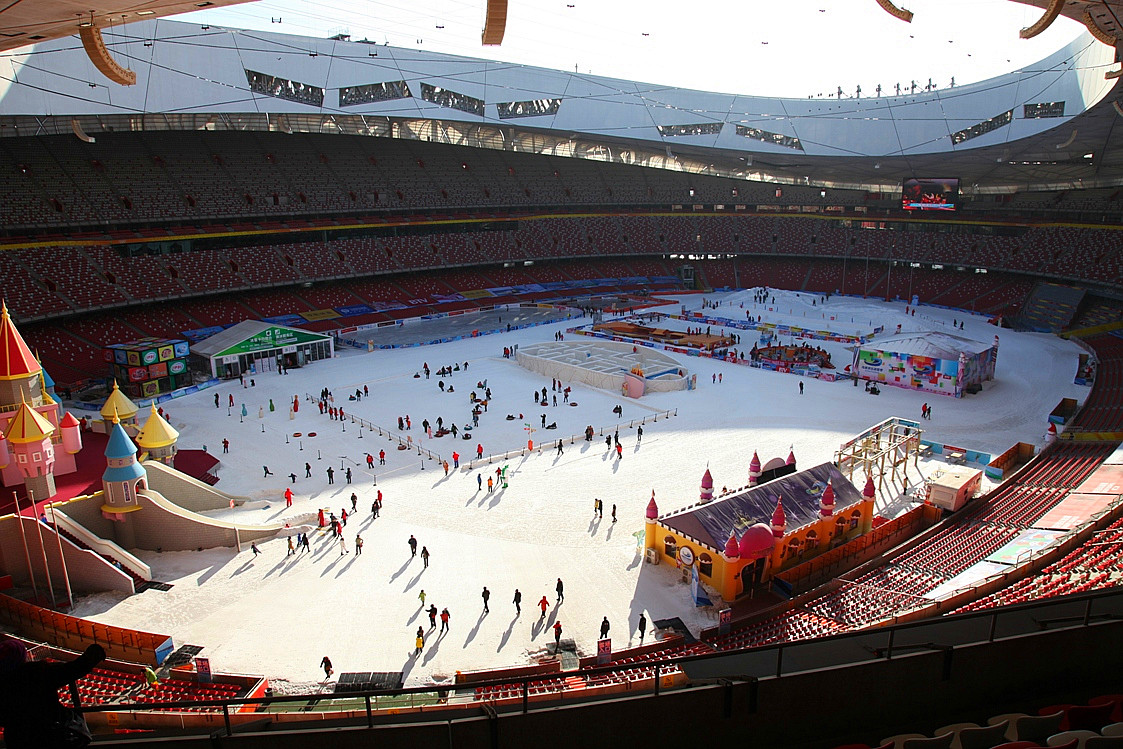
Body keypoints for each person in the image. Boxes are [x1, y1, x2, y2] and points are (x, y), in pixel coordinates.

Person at [0, 639, 105, 749]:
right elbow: (72, 669)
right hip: (47, 736)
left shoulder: (4, 683)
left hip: (17, 740)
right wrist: (93, 654)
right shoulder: (36, 673)